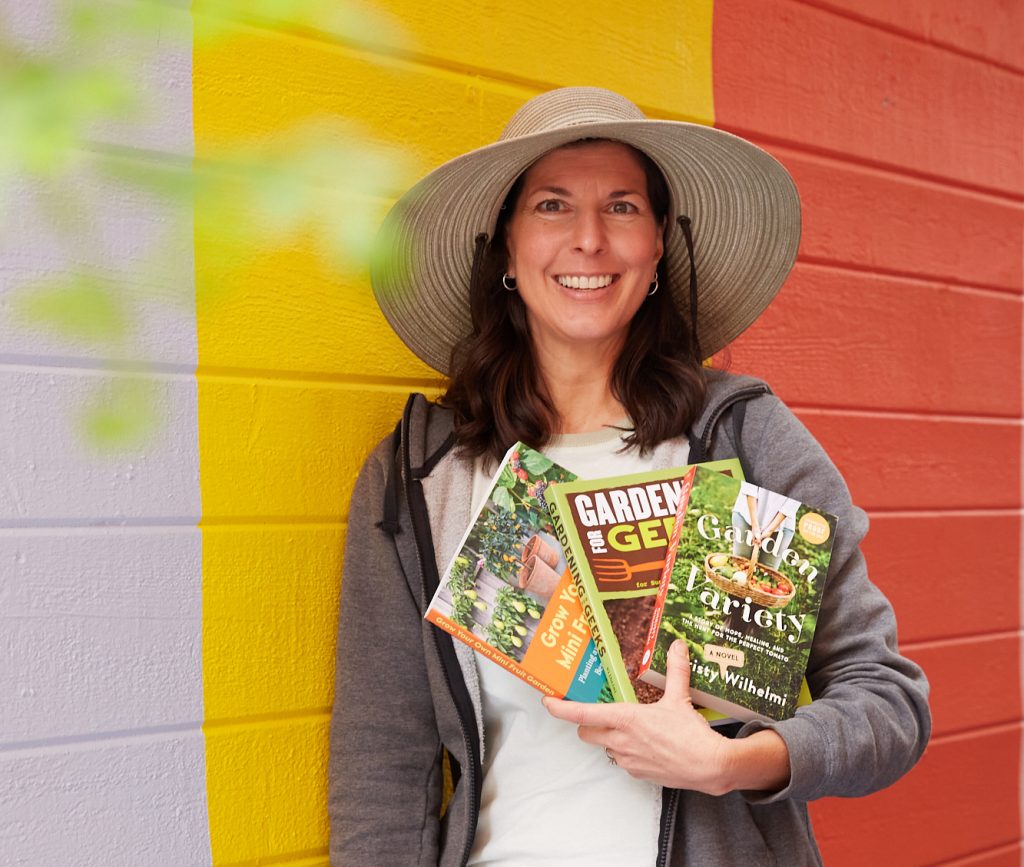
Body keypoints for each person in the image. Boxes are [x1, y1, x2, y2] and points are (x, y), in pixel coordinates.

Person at [329, 87, 930, 866]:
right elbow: (381, 758)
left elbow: (887, 702)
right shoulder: (423, 475)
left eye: (622, 208)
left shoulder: (740, 439)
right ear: (506, 246)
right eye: (551, 206)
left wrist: (733, 763)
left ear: (656, 249)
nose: (588, 240)